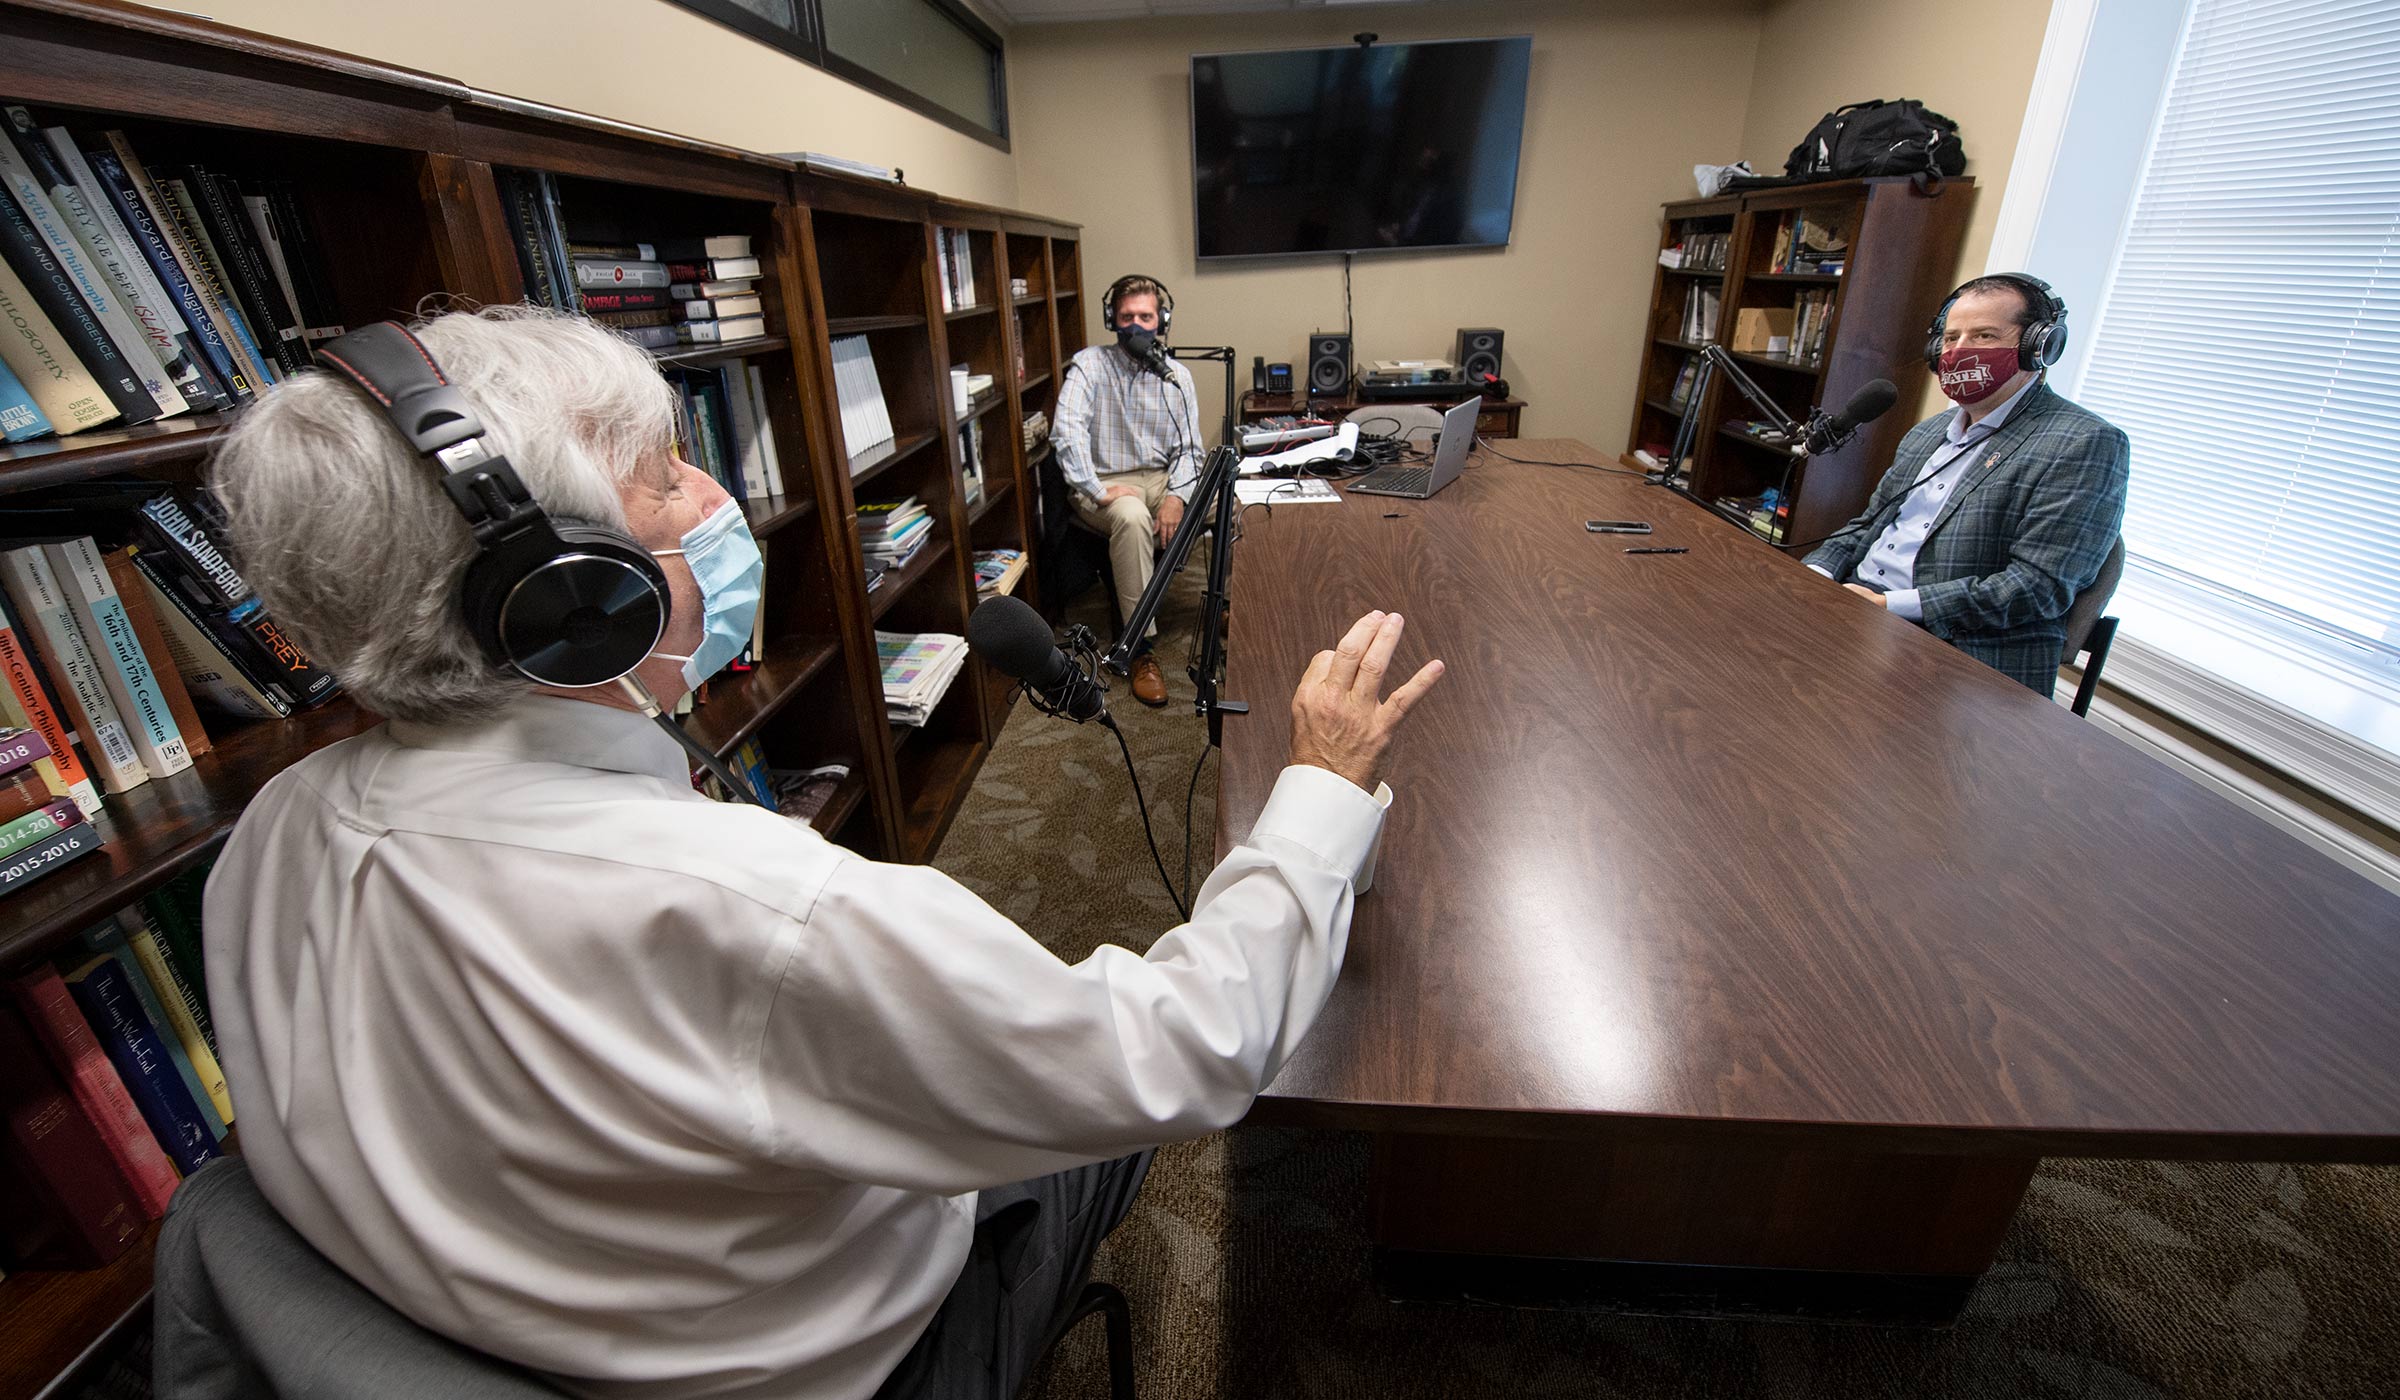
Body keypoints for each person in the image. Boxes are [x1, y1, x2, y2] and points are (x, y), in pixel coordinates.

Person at [195, 307, 1443, 1400]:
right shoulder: (761, 910)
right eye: (662, 474)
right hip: (835, 1362)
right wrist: (1322, 788)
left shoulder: (275, 827)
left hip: (458, 1320)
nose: (710, 500)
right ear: (565, 588)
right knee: (1108, 1119)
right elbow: (1189, 1052)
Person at [1804, 273, 2129, 697]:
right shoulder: (1929, 432)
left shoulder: (2086, 443)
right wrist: (1814, 576)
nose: (1958, 351)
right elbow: (1865, 527)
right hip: (1858, 611)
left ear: (2039, 346)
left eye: (1984, 336)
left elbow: (2037, 589)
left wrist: (1889, 606)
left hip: (1958, 653)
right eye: (1951, 337)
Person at [1052, 274, 1204, 707]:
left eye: (1145, 316)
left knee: (1224, 497)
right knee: (1133, 515)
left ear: (1162, 321)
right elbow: (1067, 435)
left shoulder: (1175, 375)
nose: (1136, 325)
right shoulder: (1089, 366)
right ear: (1112, 320)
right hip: (1102, 482)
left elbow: (1190, 449)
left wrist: (1176, 496)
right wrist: (1097, 490)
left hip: (1157, 478)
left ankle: (1225, 607)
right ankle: (1139, 648)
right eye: (1126, 317)